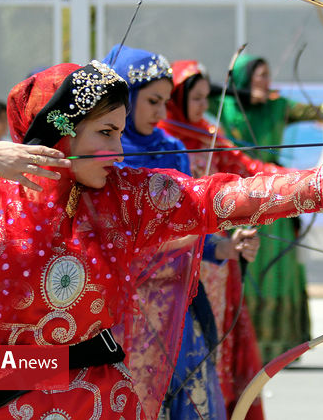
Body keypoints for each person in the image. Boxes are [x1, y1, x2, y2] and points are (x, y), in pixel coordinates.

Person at [0, 60, 323, 419]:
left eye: (122, 132)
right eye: (104, 133)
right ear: (59, 130)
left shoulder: (131, 197)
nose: (118, 150)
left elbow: (231, 197)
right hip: (0, 397)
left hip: (101, 400)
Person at [103, 46, 260, 420]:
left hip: (176, 306)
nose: (161, 113)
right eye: (153, 101)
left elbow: (190, 222)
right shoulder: (103, 150)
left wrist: (226, 245)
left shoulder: (173, 149)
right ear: (125, 96)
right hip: (121, 308)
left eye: (166, 102)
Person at [208, 54, 323, 362]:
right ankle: (245, 349)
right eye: (259, 76)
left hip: (277, 198)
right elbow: (196, 93)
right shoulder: (227, 105)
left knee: (281, 272)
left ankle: (283, 346)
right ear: (244, 79)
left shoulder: (278, 106)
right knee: (245, 266)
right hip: (239, 199)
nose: (266, 82)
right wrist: (242, 96)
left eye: (267, 75)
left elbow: (317, 112)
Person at [159, 59, 294, 418]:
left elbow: (250, 172)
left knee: (213, 344)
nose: (204, 106)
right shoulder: (158, 142)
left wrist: (302, 182)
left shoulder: (210, 135)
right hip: (171, 266)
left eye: (207, 98)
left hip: (217, 261)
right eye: (197, 98)